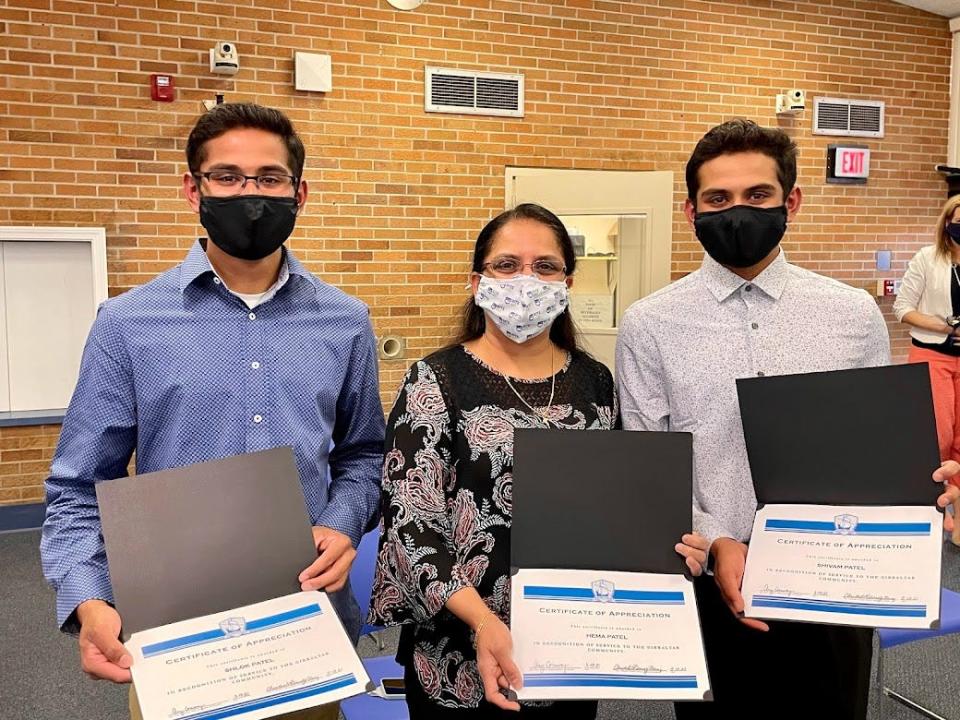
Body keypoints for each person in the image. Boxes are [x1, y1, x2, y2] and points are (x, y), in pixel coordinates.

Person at [39, 103, 386, 720]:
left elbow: (363, 453)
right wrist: (89, 600)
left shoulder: (345, 320)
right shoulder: (128, 324)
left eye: (269, 178)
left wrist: (343, 521)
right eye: (226, 177)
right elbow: (77, 486)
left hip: (304, 628)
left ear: (299, 193)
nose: (249, 194)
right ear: (192, 189)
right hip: (177, 637)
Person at [368, 203, 710, 718]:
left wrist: (667, 549)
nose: (526, 279)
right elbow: (412, 526)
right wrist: (483, 622)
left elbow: (615, 507)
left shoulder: (596, 383)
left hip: (570, 649)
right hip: (460, 652)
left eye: (545, 266)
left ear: (568, 282)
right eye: (507, 265)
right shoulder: (435, 380)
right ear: (477, 280)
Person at [616, 118, 895, 720]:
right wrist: (715, 539)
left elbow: (877, 447)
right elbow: (648, 458)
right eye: (718, 199)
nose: (737, 211)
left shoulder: (852, 314)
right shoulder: (650, 324)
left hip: (836, 577)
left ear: (789, 201)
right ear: (692, 211)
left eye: (757, 196)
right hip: (713, 578)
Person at [894, 193, 960, 545]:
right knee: (938, 438)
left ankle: (958, 511)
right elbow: (902, 309)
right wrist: (948, 326)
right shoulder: (928, 258)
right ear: (947, 223)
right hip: (932, 356)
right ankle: (931, 508)